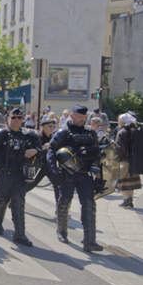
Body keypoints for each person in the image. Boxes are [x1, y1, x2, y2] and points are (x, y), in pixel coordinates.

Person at [46, 104, 103, 252]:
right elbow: (51, 150)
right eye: (80, 117)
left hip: (85, 174)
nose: (83, 120)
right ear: (72, 116)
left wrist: (98, 175)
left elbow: (97, 154)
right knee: (64, 202)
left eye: (84, 117)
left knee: (89, 205)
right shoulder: (63, 132)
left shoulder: (90, 133)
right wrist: (53, 170)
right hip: (67, 174)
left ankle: (90, 240)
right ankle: (62, 231)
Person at [0, 108, 41, 246]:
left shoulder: (29, 136)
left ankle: (19, 234)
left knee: (18, 203)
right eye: (14, 117)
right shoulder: (2, 134)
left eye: (20, 117)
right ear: (8, 119)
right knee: (2, 200)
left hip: (19, 174)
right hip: (3, 173)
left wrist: (35, 151)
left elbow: (41, 151)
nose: (17, 120)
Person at [115, 113, 142, 209]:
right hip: (134, 160)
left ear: (122, 121)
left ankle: (127, 200)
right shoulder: (134, 130)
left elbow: (119, 147)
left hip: (124, 160)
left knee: (122, 182)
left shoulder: (122, 132)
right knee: (131, 182)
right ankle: (129, 199)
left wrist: (118, 157)